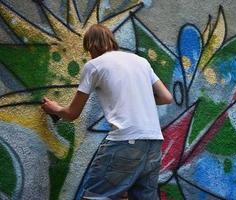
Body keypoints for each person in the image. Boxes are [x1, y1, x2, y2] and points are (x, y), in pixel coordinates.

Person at [41, 24, 173, 200]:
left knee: (96, 196)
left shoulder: (94, 66)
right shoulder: (141, 62)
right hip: (153, 142)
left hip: (125, 141)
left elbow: (73, 113)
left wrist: (54, 108)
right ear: (111, 41)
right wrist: (140, 98)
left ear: (92, 46)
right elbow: (166, 97)